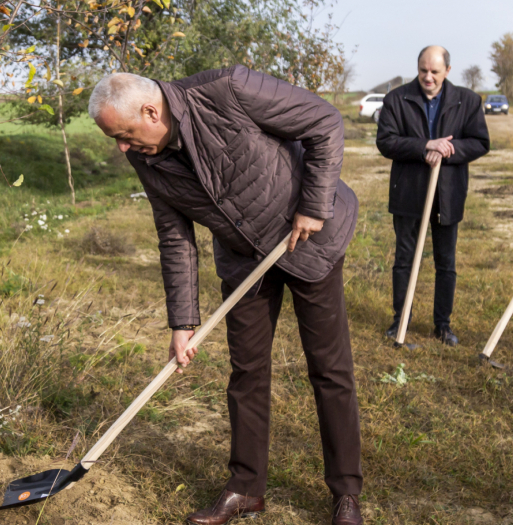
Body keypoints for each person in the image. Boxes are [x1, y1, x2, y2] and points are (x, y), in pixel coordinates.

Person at [88, 67, 364, 525]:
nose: (121, 147)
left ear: (152, 111)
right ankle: (246, 488)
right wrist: (182, 321)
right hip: (245, 261)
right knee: (247, 371)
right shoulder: (145, 155)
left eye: (124, 134)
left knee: (329, 369)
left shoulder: (229, 90)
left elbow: (325, 123)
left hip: (309, 240)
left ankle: (346, 494)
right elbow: (174, 237)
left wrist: (314, 205)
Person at [375, 46, 490, 346]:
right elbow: (386, 142)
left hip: (448, 194)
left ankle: (443, 325)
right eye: (423, 70)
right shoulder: (396, 99)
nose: (428, 77)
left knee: (446, 262)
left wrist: (451, 150)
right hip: (409, 192)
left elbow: (480, 142)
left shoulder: (467, 101)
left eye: (435, 72)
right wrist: (425, 145)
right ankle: (400, 320)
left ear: (448, 71)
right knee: (404, 259)